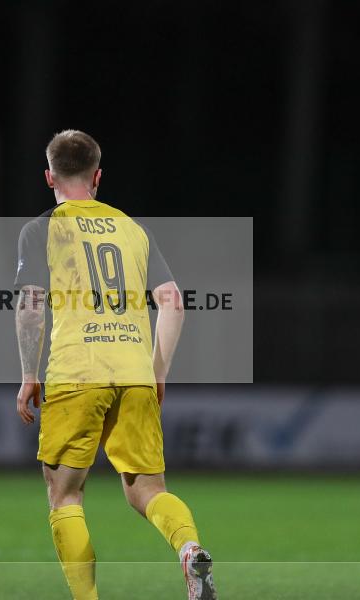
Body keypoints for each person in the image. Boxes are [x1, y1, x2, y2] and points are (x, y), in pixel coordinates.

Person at [14, 130, 216, 599]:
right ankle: (188, 549)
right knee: (146, 491)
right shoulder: (132, 228)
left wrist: (28, 373)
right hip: (133, 369)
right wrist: (157, 371)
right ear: (98, 176)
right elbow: (173, 302)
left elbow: (31, 304)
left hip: (76, 370)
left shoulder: (41, 229)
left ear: (49, 177)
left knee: (65, 495)